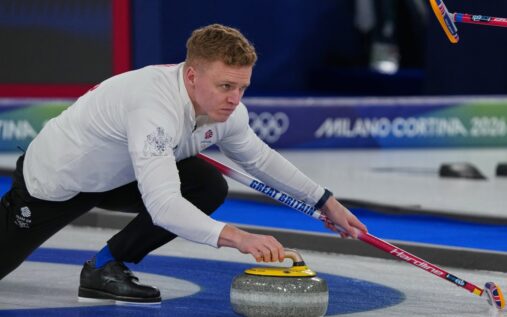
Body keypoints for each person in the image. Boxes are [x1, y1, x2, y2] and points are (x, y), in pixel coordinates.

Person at [0, 24, 367, 304]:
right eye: (226, 86)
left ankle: (104, 267)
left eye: (242, 88)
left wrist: (325, 203)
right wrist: (239, 238)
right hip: (56, 183)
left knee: (206, 184)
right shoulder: (153, 105)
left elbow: (259, 158)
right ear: (192, 76)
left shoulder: (228, 111)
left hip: (122, 173)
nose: (235, 99)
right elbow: (163, 207)